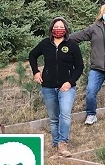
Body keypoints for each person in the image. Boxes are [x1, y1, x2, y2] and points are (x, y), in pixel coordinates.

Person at [29, 17, 84, 157]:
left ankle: (63, 144)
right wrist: (36, 72)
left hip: (66, 88)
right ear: (51, 29)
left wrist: (70, 82)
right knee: (53, 118)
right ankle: (56, 145)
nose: (58, 29)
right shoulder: (45, 44)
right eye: (56, 26)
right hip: (48, 87)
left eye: (61, 27)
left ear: (65, 29)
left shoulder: (72, 45)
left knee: (65, 115)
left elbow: (79, 67)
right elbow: (32, 55)